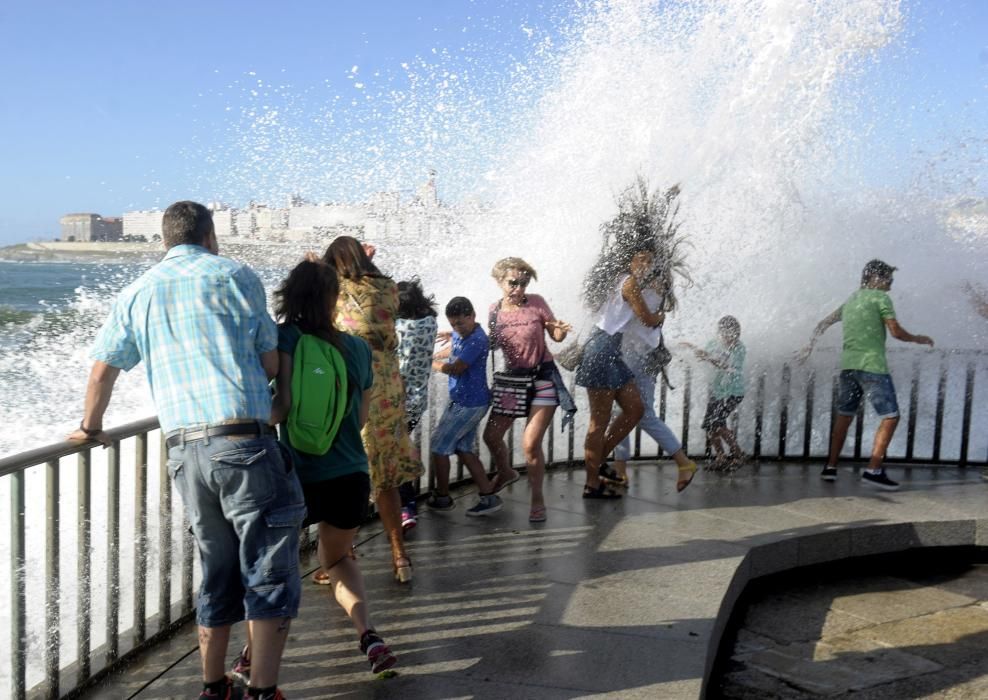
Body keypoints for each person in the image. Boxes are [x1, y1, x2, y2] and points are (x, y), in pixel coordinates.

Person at [67, 201, 300, 700]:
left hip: (184, 451)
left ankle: (213, 687)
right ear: (210, 234)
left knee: (216, 570)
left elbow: (102, 370)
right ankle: (262, 691)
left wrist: (90, 428)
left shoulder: (138, 290)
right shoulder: (235, 274)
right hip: (243, 442)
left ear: (165, 240)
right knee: (267, 565)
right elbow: (268, 362)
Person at [229, 259, 397, 678]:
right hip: (352, 477)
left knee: (271, 573)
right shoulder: (357, 348)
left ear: (290, 294)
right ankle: (369, 636)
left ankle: (251, 659)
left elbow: (280, 407)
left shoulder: (286, 337)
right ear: (332, 299)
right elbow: (358, 420)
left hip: (297, 479)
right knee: (337, 560)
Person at [323, 236, 423, 583]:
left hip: (354, 387)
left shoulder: (335, 289)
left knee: (348, 472)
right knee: (386, 476)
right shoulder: (389, 287)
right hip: (389, 388)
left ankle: (340, 557)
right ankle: (400, 557)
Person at [799, 259, 934, 490]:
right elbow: (896, 332)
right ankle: (873, 469)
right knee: (891, 416)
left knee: (844, 415)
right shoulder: (880, 298)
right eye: (888, 279)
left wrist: (809, 346)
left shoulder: (851, 299)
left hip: (848, 367)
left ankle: (830, 467)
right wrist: (918, 338)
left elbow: (822, 324)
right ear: (875, 278)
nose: (891, 284)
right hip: (872, 366)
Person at [577, 242, 698, 498]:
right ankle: (592, 482)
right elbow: (648, 319)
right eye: (640, 259)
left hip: (610, 350)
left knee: (635, 410)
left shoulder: (619, 280)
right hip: (602, 349)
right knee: (598, 424)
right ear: (628, 260)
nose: (645, 265)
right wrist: (661, 316)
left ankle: (599, 462)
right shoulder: (628, 282)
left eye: (649, 260)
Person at [483, 257, 574, 523]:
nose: (519, 289)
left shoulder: (537, 302)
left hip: (542, 377)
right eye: (513, 283)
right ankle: (506, 472)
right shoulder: (494, 311)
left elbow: (555, 336)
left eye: (523, 283)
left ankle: (537, 499)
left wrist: (561, 331)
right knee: (492, 436)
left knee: (530, 444)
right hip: (513, 380)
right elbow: (489, 345)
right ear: (499, 282)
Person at [609, 274, 696, 485]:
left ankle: (683, 462)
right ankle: (620, 472)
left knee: (642, 414)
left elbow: (643, 319)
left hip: (638, 358)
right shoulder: (645, 284)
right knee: (621, 414)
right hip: (633, 357)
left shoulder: (644, 287)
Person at [427, 296, 510, 516]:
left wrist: (429, 362)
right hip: (467, 401)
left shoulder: (477, 340)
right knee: (464, 449)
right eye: (453, 324)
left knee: (438, 447)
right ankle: (488, 496)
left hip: (469, 404)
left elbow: (457, 368)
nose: (457, 328)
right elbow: (455, 346)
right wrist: (449, 337)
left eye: (460, 323)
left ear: (473, 316)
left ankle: (443, 497)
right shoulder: (465, 332)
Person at [395, 278, 439, 533]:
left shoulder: (400, 327)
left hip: (396, 402)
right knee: (400, 449)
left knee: (394, 454)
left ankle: (405, 506)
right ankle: (405, 505)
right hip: (416, 402)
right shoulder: (430, 323)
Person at [682, 315, 747, 470]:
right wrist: (692, 348)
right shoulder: (714, 343)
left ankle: (738, 454)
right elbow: (705, 354)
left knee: (717, 424)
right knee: (710, 425)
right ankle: (720, 457)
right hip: (717, 391)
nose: (728, 336)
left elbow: (727, 366)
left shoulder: (739, 348)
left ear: (737, 333)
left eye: (731, 333)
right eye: (724, 332)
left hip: (732, 392)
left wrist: (708, 357)